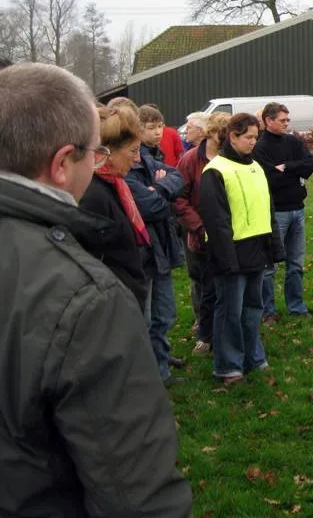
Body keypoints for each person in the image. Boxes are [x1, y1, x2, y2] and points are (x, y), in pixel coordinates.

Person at [0, 62, 192, 515]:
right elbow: (135, 495)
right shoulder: (83, 299)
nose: (101, 162)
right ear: (63, 163)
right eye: (95, 152)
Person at [199, 113, 284, 384]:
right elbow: (217, 221)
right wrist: (228, 260)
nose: (253, 143)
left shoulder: (256, 167)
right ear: (233, 136)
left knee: (252, 309)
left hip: (256, 250)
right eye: (248, 137)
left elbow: (267, 210)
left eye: (255, 137)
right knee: (229, 312)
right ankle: (228, 366)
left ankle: (253, 357)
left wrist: (274, 248)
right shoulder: (216, 170)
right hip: (231, 252)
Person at [127, 100, 186, 385]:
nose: (158, 132)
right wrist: (161, 192)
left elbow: (177, 176)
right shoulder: (129, 168)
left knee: (165, 314)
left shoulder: (149, 159)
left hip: (162, 246)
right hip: (142, 252)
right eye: (151, 128)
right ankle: (146, 376)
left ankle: (161, 369)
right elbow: (149, 206)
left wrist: (159, 188)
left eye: (161, 126)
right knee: (144, 318)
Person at [78, 106, 149, 311]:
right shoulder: (93, 195)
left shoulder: (114, 184)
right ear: (106, 152)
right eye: (133, 151)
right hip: (113, 307)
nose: (137, 159)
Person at [254, 102, 313, 321]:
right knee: (269, 266)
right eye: (282, 120)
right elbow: (270, 179)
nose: (286, 124)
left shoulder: (292, 141)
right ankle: (268, 311)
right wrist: (294, 172)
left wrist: (287, 167)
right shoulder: (260, 147)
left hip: (298, 210)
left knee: (296, 264)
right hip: (276, 213)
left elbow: (310, 164)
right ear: (268, 120)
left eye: (287, 120)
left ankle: (296, 306)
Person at [175, 112, 229, 355]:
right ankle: (204, 332)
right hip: (200, 235)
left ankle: (224, 331)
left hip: (228, 235)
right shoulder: (189, 160)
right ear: (212, 133)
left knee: (226, 286)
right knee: (203, 285)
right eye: (223, 134)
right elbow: (179, 198)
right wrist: (198, 226)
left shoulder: (232, 157)